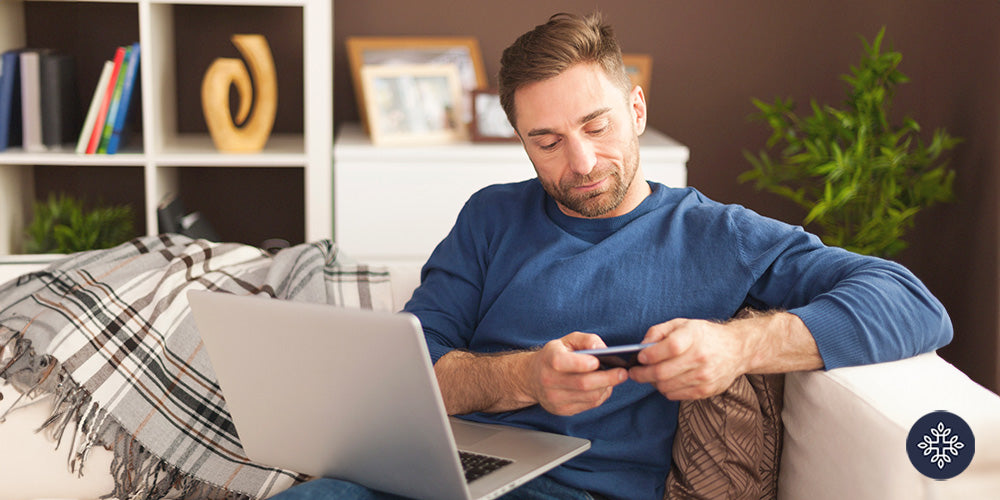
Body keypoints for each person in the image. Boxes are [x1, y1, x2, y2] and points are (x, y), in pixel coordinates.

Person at [273, 12, 952, 500]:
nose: (581, 161)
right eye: (546, 140)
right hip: (442, 474)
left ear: (636, 106)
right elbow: (413, 372)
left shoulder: (720, 235)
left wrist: (737, 349)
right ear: (521, 140)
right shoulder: (491, 216)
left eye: (596, 126)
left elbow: (913, 305)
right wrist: (525, 379)